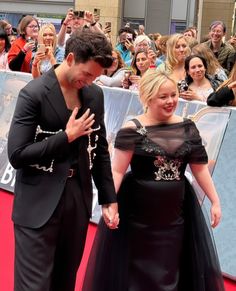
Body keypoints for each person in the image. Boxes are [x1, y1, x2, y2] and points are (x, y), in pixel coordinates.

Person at [82, 69, 225, 291]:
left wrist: (215, 201)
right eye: (163, 97)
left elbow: (200, 168)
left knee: (172, 266)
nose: (171, 101)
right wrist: (109, 203)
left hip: (176, 213)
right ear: (147, 97)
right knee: (136, 271)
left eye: (174, 95)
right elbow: (117, 171)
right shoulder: (132, 130)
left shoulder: (188, 128)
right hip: (137, 215)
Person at [7, 30, 119, 291]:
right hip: (37, 202)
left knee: (64, 281)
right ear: (70, 58)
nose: (90, 81)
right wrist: (66, 137)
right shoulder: (33, 93)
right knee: (34, 286)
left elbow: (99, 149)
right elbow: (17, 155)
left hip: (76, 200)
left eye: (96, 77)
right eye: (88, 74)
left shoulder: (94, 95)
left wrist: (109, 198)